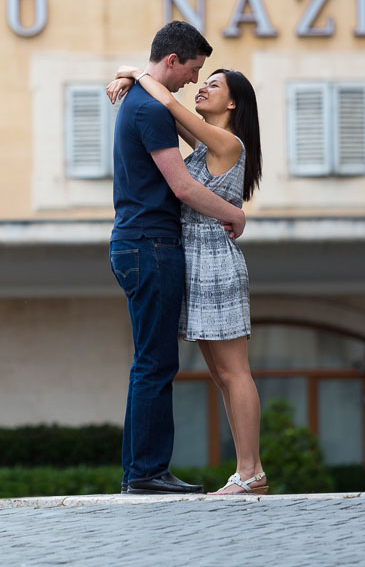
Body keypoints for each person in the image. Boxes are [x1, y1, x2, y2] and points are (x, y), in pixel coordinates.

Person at [106, 56, 267, 495]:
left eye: (213, 85)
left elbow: (169, 108)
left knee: (235, 372)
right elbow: (165, 112)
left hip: (214, 260)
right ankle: (244, 471)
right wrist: (131, 76)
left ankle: (251, 472)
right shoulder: (209, 145)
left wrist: (137, 75)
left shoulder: (227, 144)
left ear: (233, 104)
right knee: (220, 375)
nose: (200, 88)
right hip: (196, 260)